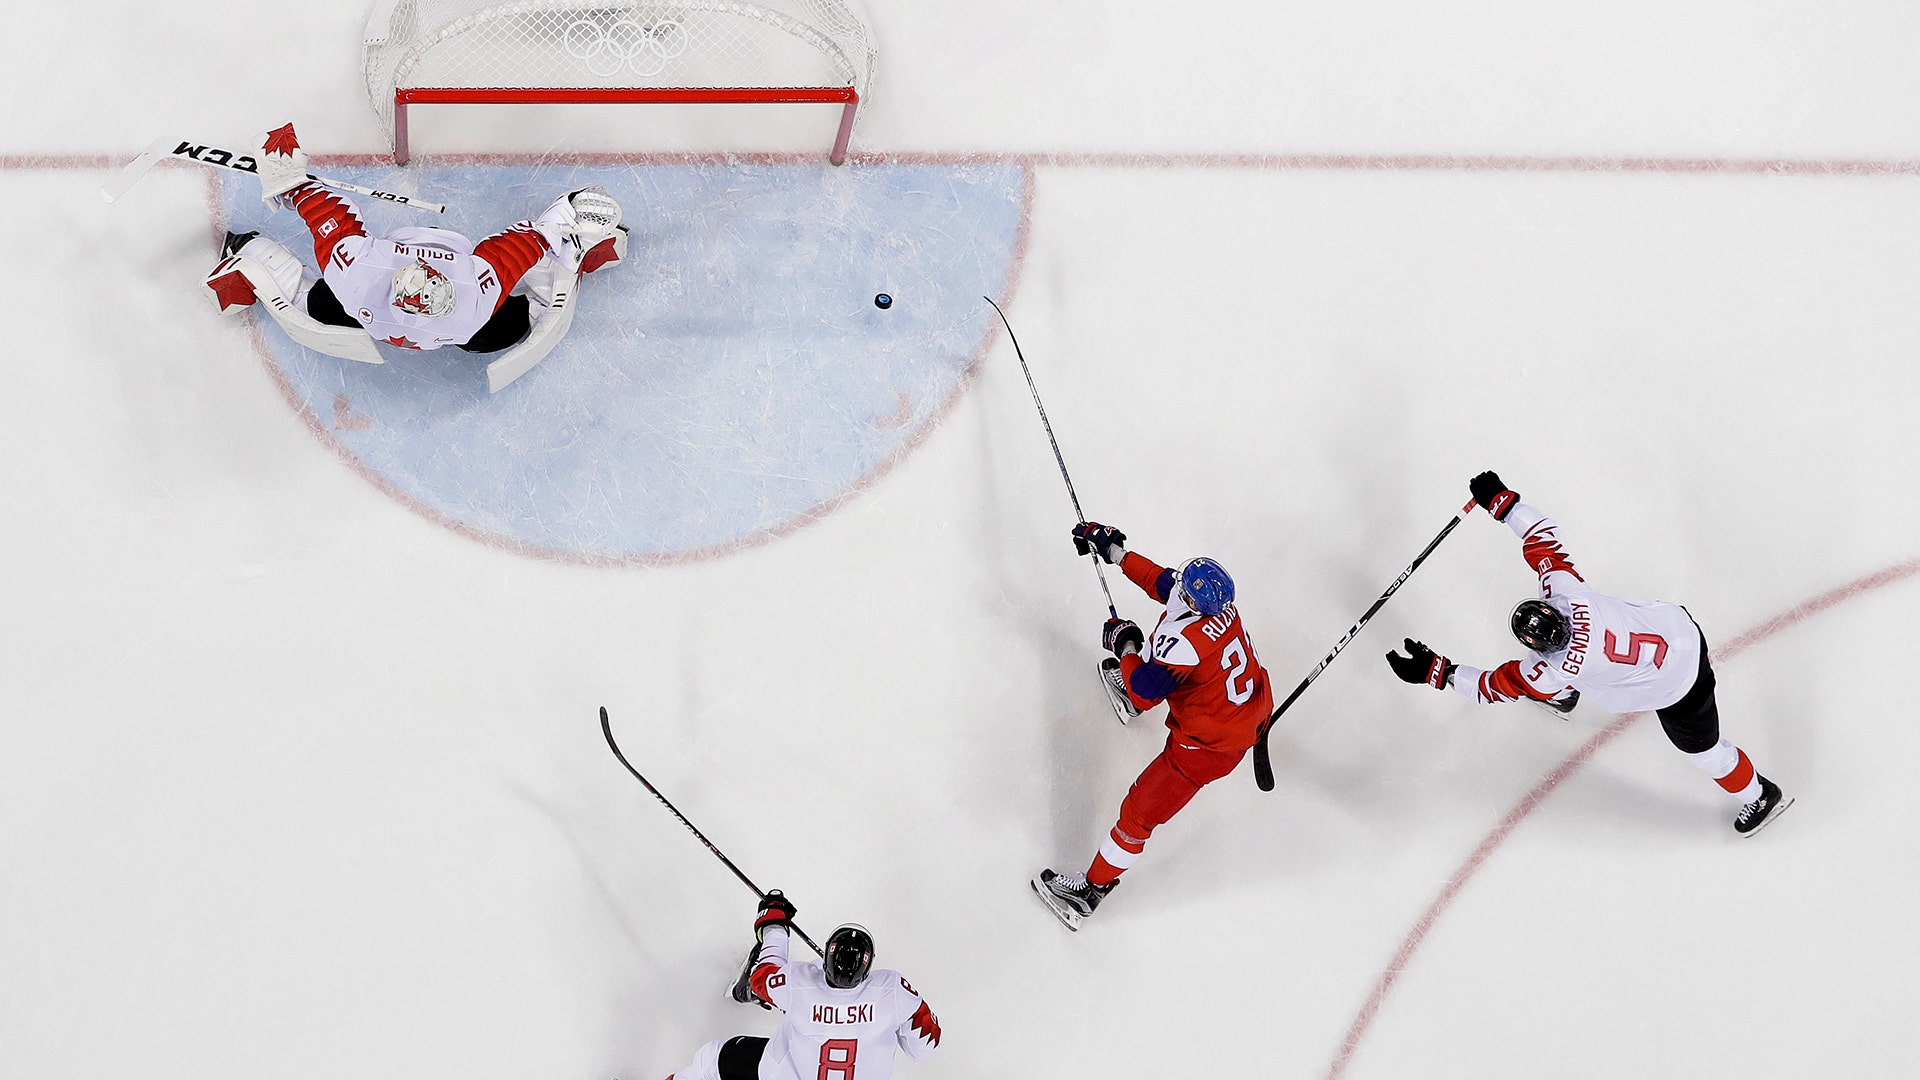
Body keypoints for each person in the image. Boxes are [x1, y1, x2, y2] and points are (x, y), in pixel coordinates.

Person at [1385, 471, 1793, 836]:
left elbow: (1494, 686)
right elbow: (1541, 536)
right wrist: (1502, 502)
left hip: (1679, 686)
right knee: (1575, 673)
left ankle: (1761, 794)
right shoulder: (1568, 593)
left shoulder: (1549, 669)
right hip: (1680, 630)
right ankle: (1565, 697)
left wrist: (1437, 671)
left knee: (1706, 754)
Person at [202, 123, 626, 377]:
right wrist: (568, 222)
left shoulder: (362, 276)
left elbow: (332, 221)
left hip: (370, 314)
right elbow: (522, 243)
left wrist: (294, 185)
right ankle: (577, 256)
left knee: (309, 303)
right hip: (465, 326)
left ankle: (248, 254)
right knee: (521, 319)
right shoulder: (473, 297)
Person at [1032, 523, 1274, 930]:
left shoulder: (1186, 644)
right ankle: (1132, 687)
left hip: (1208, 750)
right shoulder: (1216, 607)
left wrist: (1125, 646)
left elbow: (1145, 692)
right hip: (1245, 708)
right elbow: (1164, 582)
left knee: (1138, 814)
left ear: (1197, 605)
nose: (1179, 588)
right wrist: (1116, 553)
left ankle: (1089, 893)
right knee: (1158, 672)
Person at [667, 891, 941, 1080]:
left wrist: (774, 924)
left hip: (782, 1074)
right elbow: (924, 1050)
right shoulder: (892, 990)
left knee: (712, 1059)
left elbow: (762, 977)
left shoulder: (800, 983)